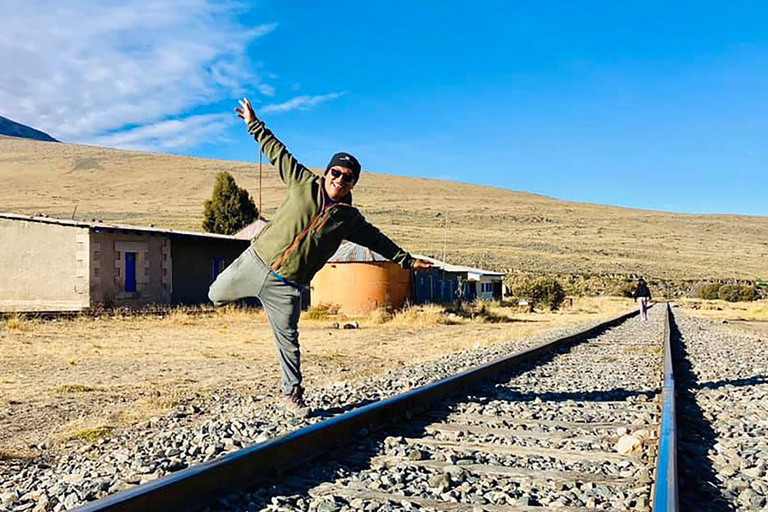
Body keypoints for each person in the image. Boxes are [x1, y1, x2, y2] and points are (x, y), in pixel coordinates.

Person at [208, 97, 432, 417]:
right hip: (255, 261)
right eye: (336, 173)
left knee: (289, 343)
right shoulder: (302, 183)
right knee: (214, 294)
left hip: (286, 285)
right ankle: (245, 297)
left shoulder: (349, 219)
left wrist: (408, 261)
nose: (340, 180)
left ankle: (291, 394)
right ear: (326, 172)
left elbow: (379, 240)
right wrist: (252, 124)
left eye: (348, 177)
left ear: (353, 182)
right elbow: (277, 152)